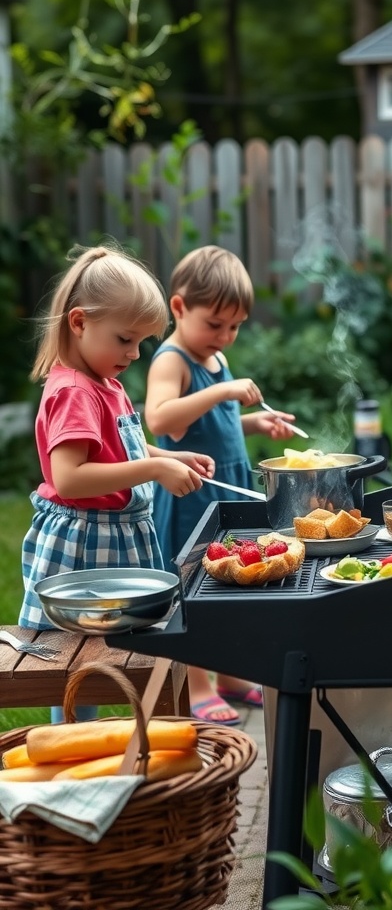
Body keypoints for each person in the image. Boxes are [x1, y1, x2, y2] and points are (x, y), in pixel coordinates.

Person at [19, 244, 215, 722]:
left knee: (126, 652)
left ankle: (143, 740)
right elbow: (70, 478)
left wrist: (167, 455)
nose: (134, 353)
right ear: (80, 322)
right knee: (74, 661)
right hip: (85, 545)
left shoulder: (106, 382)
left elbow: (120, 448)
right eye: (126, 339)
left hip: (119, 538)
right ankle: (72, 747)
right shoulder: (72, 392)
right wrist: (153, 471)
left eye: (143, 343)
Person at [145, 245, 298, 724]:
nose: (225, 336)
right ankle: (196, 683)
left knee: (229, 580)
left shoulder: (213, 358)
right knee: (193, 587)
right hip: (191, 494)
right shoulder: (172, 360)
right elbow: (161, 420)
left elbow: (215, 424)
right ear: (178, 307)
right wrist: (225, 390)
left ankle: (230, 674)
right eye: (214, 324)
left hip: (226, 490)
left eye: (234, 327)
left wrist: (256, 423)